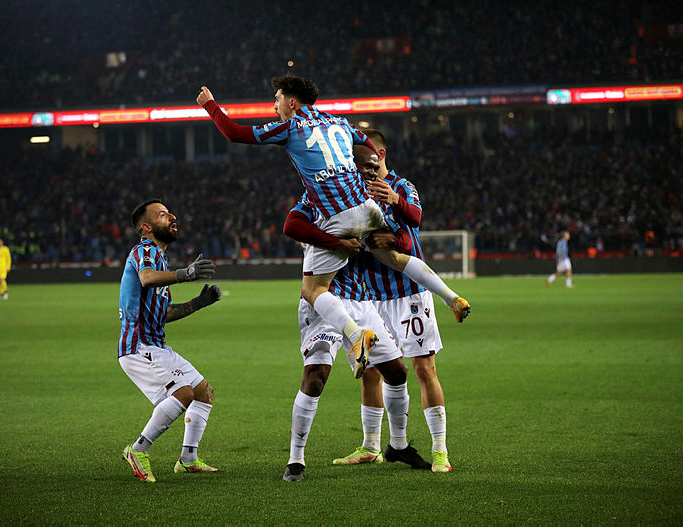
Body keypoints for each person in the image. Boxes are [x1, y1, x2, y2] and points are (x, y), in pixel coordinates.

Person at [196, 74, 470, 379]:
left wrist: (210, 105)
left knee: (313, 290)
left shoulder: (290, 126)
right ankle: (451, 298)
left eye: (276, 100)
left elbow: (234, 133)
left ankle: (355, 336)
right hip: (365, 205)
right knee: (393, 258)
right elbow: (367, 142)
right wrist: (354, 166)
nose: (274, 107)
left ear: (291, 102)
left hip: (336, 215)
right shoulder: (338, 122)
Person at [280, 193, 431, 482]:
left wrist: (390, 240)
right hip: (324, 300)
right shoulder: (319, 196)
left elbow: (405, 241)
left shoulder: (367, 204)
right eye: (365, 167)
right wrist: (335, 242)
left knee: (397, 372)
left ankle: (397, 445)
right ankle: (296, 459)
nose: (369, 173)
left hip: (360, 301)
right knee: (315, 376)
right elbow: (292, 226)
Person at [332, 130, 452, 472]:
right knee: (371, 372)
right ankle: (371, 446)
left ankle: (440, 450)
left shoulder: (401, 185)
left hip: (407, 295)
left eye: (367, 156)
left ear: (380, 153)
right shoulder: (351, 190)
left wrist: (395, 204)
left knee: (423, 369)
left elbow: (414, 224)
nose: (363, 165)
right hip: (369, 297)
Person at [118, 199, 222, 483]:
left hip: (156, 345)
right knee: (184, 393)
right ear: (146, 227)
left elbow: (162, 313)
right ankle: (138, 450)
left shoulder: (160, 258)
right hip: (137, 347)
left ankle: (188, 459)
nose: (172, 216)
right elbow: (148, 278)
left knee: (203, 392)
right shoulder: (145, 250)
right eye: (163, 215)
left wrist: (198, 303)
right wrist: (186, 273)